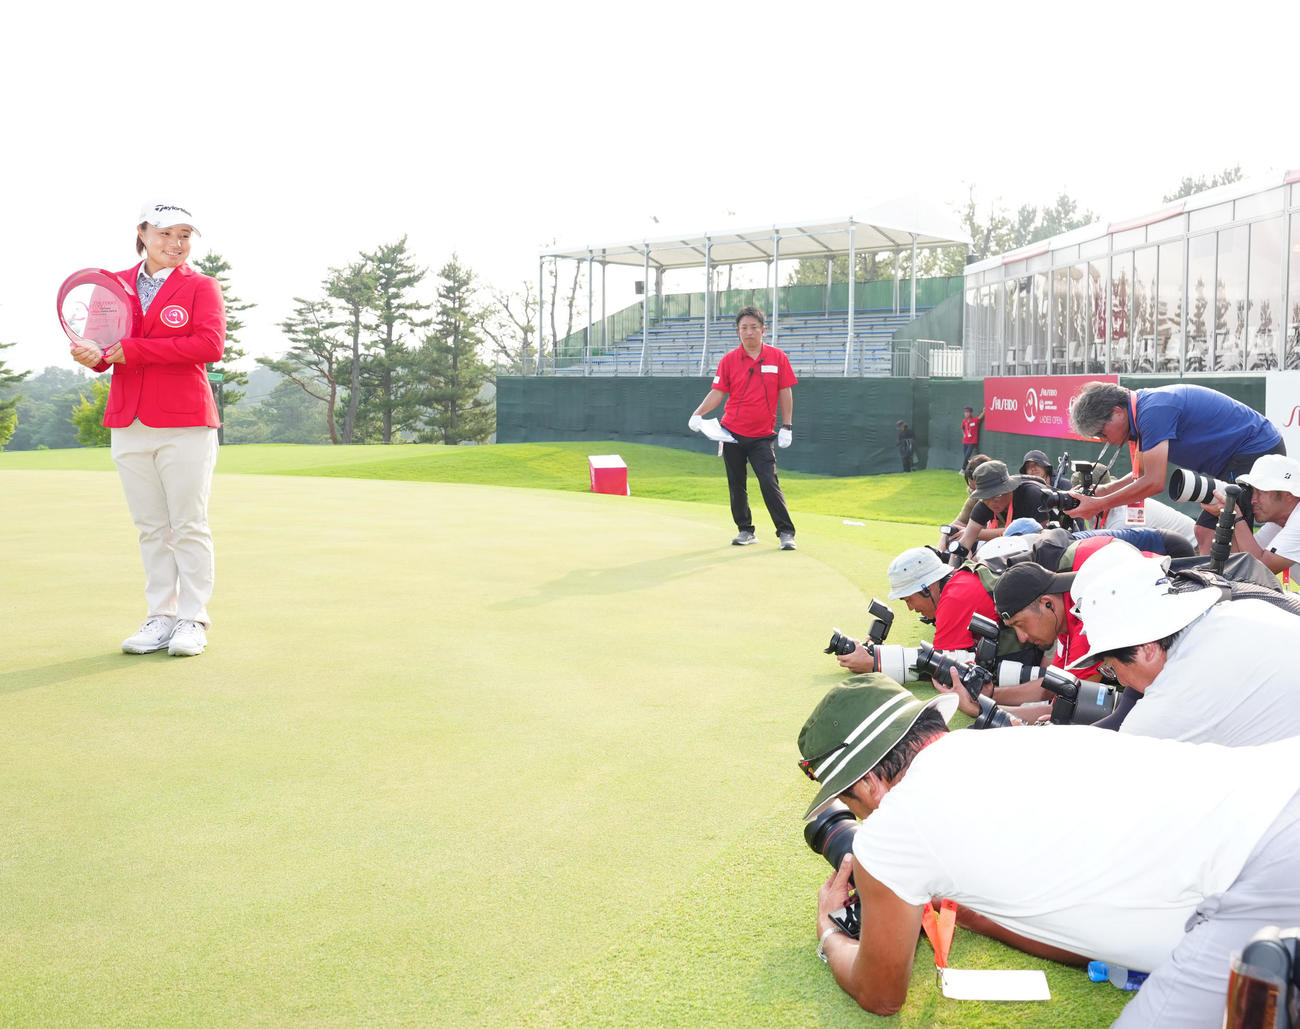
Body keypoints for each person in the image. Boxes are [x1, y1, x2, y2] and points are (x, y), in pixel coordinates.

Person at [800, 675, 1300, 1025]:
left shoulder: (894, 828)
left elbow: (881, 994)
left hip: (1262, 874)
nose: (860, 817)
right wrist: (970, 916)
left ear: (868, 784)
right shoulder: (1010, 744)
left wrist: (829, 933)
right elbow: (1080, 929)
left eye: (850, 801)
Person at [70, 202, 224, 657]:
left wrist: (130, 350)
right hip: (128, 419)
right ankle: (161, 615)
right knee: (151, 527)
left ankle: (192, 620)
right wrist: (92, 357)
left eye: (185, 235)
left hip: (186, 421)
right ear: (142, 231)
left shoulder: (202, 286)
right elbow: (103, 350)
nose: (176, 244)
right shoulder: (110, 286)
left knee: (189, 524)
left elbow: (209, 345)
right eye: (167, 233)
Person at [1067, 547, 1300, 745]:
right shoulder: (1231, 612)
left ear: (1146, 650)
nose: (1122, 682)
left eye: (1112, 669)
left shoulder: (1170, 705)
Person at [1067, 381, 1285, 554]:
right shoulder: (1142, 411)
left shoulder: (1151, 412)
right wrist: (1103, 491)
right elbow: (1140, 474)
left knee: (1228, 536)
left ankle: (1243, 594)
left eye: (1102, 433)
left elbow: (1153, 482)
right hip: (1239, 455)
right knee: (1204, 533)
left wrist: (1100, 503)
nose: (1106, 441)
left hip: (1254, 451)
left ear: (1117, 412)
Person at [833, 546, 1039, 677]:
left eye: (908, 599)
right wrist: (876, 652)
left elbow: (943, 665)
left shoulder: (955, 598)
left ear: (926, 588)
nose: (911, 608)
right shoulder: (957, 582)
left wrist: (874, 662)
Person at [688, 306, 798, 550]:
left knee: (769, 482)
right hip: (731, 434)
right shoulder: (729, 360)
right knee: (736, 484)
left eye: (754, 327)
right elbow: (718, 392)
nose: (749, 332)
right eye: (744, 328)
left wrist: (787, 426)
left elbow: (785, 392)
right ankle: (745, 530)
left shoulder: (777, 357)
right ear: (738, 331)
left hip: (762, 435)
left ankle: (786, 533)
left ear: (763, 330)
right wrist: (699, 413)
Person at [950, 459, 1059, 561]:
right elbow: (964, 543)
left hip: (1052, 544)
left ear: (1009, 488)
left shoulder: (1032, 495)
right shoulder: (984, 504)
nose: (992, 502)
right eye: (986, 496)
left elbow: (1037, 537)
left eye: (997, 495)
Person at [1230, 453, 1300, 576]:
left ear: (1288, 494)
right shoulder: (1279, 522)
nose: (1253, 500)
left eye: (1261, 491)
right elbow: (1240, 558)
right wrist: (1227, 515)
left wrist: (1237, 517)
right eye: (1253, 491)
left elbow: (1260, 570)